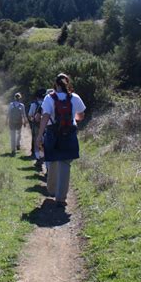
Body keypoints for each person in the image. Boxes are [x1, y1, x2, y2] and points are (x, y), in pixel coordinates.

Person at [35, 73, 86, 208]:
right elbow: (81, 116)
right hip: (69, 134)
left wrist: (39, 136)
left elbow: (45, 116)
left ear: (56, 84)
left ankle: (51, 189)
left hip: (52, 133)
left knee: (52, 161)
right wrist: (71, 118)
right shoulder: (75, 97)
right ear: (67, 83)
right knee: (65, 165)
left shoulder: (49, 98)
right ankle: (61, 198)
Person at [27, 88, 46, 158]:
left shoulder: (33, 104)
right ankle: (44, 156)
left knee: (37, 141)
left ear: (37, 97)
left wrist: (33, 120)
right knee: (44, 141)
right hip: (47, 126)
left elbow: (29, 116)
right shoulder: (48, 103)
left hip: (37, 126)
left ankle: (38, 157)